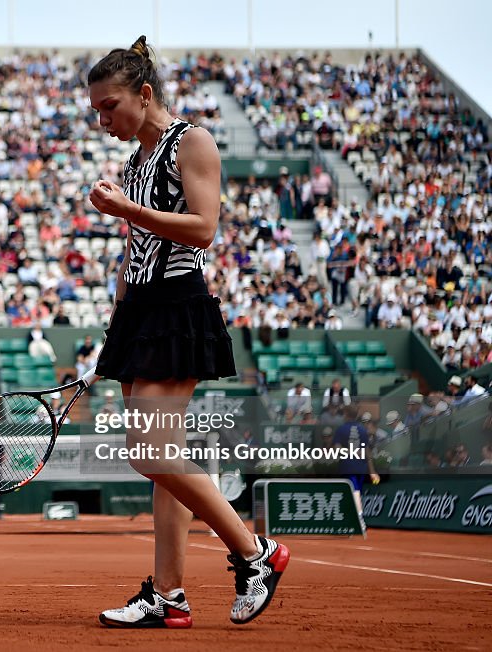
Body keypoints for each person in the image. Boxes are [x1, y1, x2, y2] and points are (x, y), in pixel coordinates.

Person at [86, 36, 288, 629]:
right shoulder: (134, 163)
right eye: (96, 110)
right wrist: (119, 305)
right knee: (162, 457)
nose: (103, 121)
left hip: (180, 305)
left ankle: (256, 553)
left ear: (144, 95)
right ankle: (169, 597)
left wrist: (127, 211)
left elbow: (202, 229)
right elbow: (140, 246)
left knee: (148, 454)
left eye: (110, 106)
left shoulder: (191, 141)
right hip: (143, 310)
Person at [331, 404, 380, 521]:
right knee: (357, 492)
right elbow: (367, 452)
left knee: (353, 493)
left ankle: (357, 520)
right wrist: (372, 471)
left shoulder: (341, 429)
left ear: (346, 414)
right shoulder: (362, 430)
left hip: (347, 467)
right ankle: (355, 519)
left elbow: (337, 449)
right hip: (361, 467)